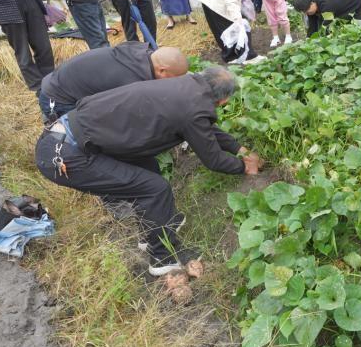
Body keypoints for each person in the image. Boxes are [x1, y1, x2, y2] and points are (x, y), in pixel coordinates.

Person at [35, 66, 264, 275]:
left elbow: (203, 129)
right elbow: (214, 160)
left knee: (149, 169)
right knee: (155, 189)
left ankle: (151, 235)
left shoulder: (183, 87)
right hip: (64, 156)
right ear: (223, 100)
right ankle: (163, 258)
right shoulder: (193, 108)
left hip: (67, 135)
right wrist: (243, 166)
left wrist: (239, 149)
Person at [38, 42, 188, 121]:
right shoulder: (132, 81)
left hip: (59, 80)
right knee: (96, 136)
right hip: (58, 99)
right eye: (174, 79)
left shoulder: (139, 52)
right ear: (162, 70)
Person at [291, 0, 361, 37]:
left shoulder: (326, 4)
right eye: (304, 12)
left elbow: (326, 26)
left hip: (358, 4)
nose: (306, 13)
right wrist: (309, 39)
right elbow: (312, 26)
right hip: (343, 9)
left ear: (312, 3)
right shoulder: (311, 8)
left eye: (306, 10)